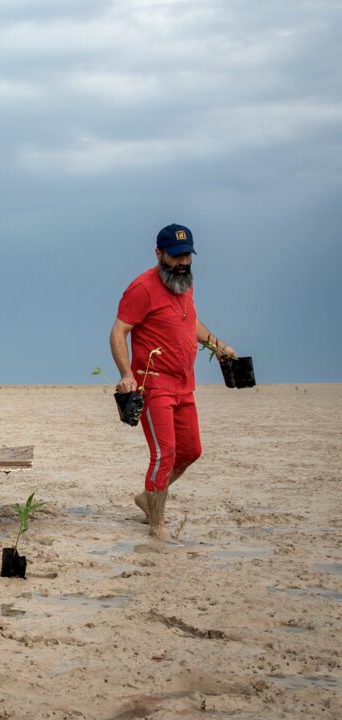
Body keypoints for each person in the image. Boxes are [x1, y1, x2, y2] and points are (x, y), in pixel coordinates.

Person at [110, 224, 238, 540]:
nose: (183, 262)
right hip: (154, 385)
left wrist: (218, 346)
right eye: (176, 256)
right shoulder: (142, 288)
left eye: (187, 256)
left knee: (191, 451)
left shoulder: (184, 285)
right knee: (164, 454)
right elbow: (118, 332)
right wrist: (127, 374)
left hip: (184, 385)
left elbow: (190, 321)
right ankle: (158, 526)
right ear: (159, 254)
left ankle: (148, 498)